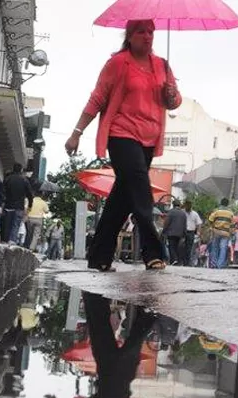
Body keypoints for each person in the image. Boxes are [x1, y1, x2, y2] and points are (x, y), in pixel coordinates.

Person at [65, 19, 182, 271]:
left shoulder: (162, 66)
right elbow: (97, 98)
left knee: (122, 199)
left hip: (149, 139)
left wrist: (171, 95)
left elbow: (173, 103)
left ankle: (99, 256)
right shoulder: (118, 63)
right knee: (140, 191)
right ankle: (153, 251)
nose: (148, 36)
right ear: (130, 36)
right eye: (141, 32)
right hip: (121, 134)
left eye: (151, 32)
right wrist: (76, 132)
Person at [1, 163, 33, 245]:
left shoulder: (8, 179)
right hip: (19, 206)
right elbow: (30, 194)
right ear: (21, 170)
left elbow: (2, 192)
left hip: (8, 205)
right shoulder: (25, 180)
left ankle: (5, 240)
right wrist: (30, 205)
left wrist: (2, 203)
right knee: (16, 224)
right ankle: (12, 240)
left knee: (7, 223)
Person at [207, 199, 236, 269]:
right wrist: (232, 233)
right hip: (226, 233)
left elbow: (210, 220)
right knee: (223, 248)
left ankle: (214, 263)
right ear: (227, 204)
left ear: (221, 203)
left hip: (216, 231)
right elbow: (232, 225)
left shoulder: (216, 211)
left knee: (215, 247)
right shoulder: (231, 213)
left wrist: (212, 227)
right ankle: (220, 265)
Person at [162, 200, 187, 265]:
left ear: (173, 205)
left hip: (171, 233)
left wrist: (164, 231)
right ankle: (177, 260)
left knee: (171, 246)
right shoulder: (183, 213)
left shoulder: (171, 212)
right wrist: (184, 234)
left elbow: (167, 222)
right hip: (180, 234)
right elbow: (185, 224)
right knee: (177, 247)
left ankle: (174, 259)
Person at [183, 201, 202, 267]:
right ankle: (183, 261)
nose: (188, 207)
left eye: (189, 205)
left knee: (189, 248)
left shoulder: (195, 214)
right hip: (183, 232)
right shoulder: (182, 212)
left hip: (191, 232)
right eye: (186, 205)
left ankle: (187, 262)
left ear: (191, 206)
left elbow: (199, 223)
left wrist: (198, 232)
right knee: (182, 247)